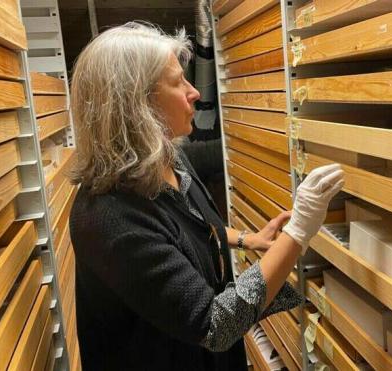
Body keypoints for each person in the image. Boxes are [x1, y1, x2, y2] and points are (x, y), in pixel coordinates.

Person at [68, 22, 344, 371]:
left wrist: (247, 239)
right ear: (137, 103)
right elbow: (212, 324)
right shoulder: (107, 217)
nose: (195, 91)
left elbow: (183, 228)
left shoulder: (167, 158)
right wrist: (299, 230)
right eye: (178, 81)